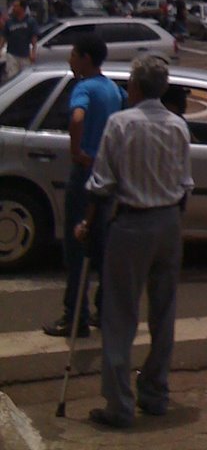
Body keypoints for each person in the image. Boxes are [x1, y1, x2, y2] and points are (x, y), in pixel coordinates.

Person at [76, 55, 194, 428]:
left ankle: (119, 405)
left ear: (137, 87)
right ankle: (155, 393)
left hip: (132, 223)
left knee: (119, 316)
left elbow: (102, 184)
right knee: (163, 312)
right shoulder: (178, 126)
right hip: (169, 222)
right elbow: (185, 183)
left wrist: (87, 224)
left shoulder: (121, 124)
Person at [43, 35, 127, 338]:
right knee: (103, 247)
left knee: (77, 247)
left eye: (74, 55)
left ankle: (74, 316)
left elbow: (77, 118)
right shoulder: (114, 90)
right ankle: (103, 312)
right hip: (108, 177)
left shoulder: (84, 88)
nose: (70, 59)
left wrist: (77, 151)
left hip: (86, 176)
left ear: (86, 59)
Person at [0, 0, 39, 80]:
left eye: (15, 6)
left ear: (22, 8)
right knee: (12, 77)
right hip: (11, 54)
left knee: (25, 78)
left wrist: (33, 52)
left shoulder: (30, 21)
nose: (13, 8)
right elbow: (3, 37)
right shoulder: (9, 22)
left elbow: (33, 38)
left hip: (25, 55)